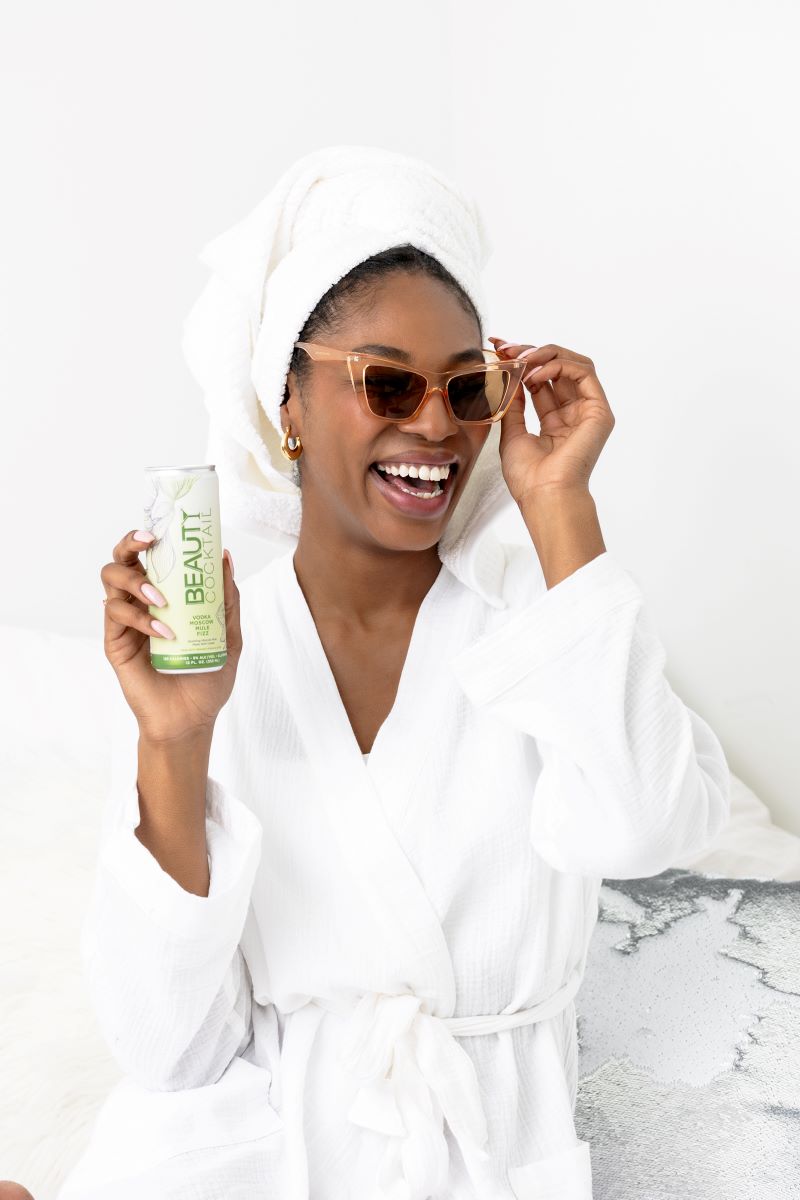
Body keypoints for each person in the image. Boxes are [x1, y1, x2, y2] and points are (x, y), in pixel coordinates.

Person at [38, 148, 731, 1200]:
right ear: (288, 405)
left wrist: (559, 510)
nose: (435, 424)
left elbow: (648, 827)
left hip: (479, 1160)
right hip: (259, 1166)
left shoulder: (541, 637)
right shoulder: (219, 652)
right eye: (386, 381)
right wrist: (175, 737)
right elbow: (167, 1052)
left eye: (467, 389)